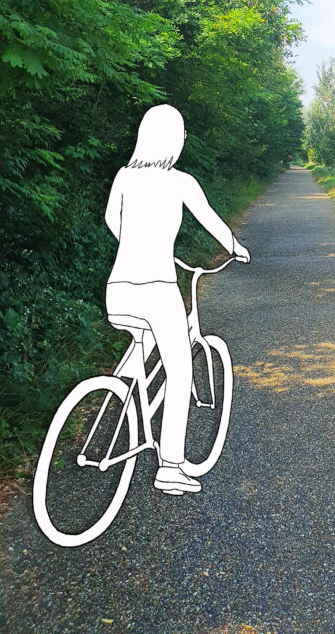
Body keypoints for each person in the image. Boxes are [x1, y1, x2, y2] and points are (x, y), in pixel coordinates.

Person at [104, 104, 250, 495]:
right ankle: (169, 466)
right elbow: (210, 219)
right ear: (173, 140)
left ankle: (122, 387)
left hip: (117, 291)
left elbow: (110, 221)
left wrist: (136, 245)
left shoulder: (123, 176)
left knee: (146, 339)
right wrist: (235, 247)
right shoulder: (180, 182)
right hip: (157, 288)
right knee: (180, 371)